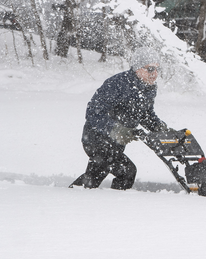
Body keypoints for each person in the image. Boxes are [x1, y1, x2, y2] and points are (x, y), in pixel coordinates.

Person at [69, 47, 169, 190]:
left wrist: (159, 127)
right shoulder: (118, 84)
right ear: (137, 68)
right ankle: (115, 205)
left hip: (115, 143)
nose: (155, 74)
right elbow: (94, 112)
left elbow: (145, 114)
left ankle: (77, 197)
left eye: (157, 69)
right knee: (127, 171)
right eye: (150, 69)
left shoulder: (149, 88)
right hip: (96, 139)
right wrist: (116, 129)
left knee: (96, 173)